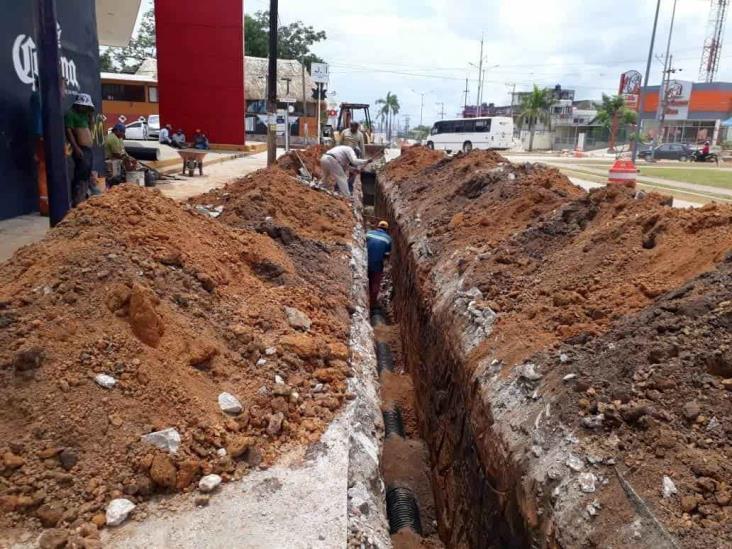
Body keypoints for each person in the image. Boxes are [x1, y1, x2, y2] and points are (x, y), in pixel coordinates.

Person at [65, 93, 96, 206]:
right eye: (83, 106)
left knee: (87, 173)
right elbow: (69, 132)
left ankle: (83, 197)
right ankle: (77, 200)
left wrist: (91, 117)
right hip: (80, 148)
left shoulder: (84, 115)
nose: (84, 108)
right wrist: (76, 148)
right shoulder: (71, 114)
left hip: (87, 149)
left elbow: (91, 129)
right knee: (80, 174)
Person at [366, 221, 393, 309]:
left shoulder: (368, 233)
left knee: (366, 281)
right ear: (386, 230)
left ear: (377, 227)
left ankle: (366, 300)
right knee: (375, 284)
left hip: (365, 262)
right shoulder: (388, 239)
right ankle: (372, 304)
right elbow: (386, 255)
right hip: (377, 265)